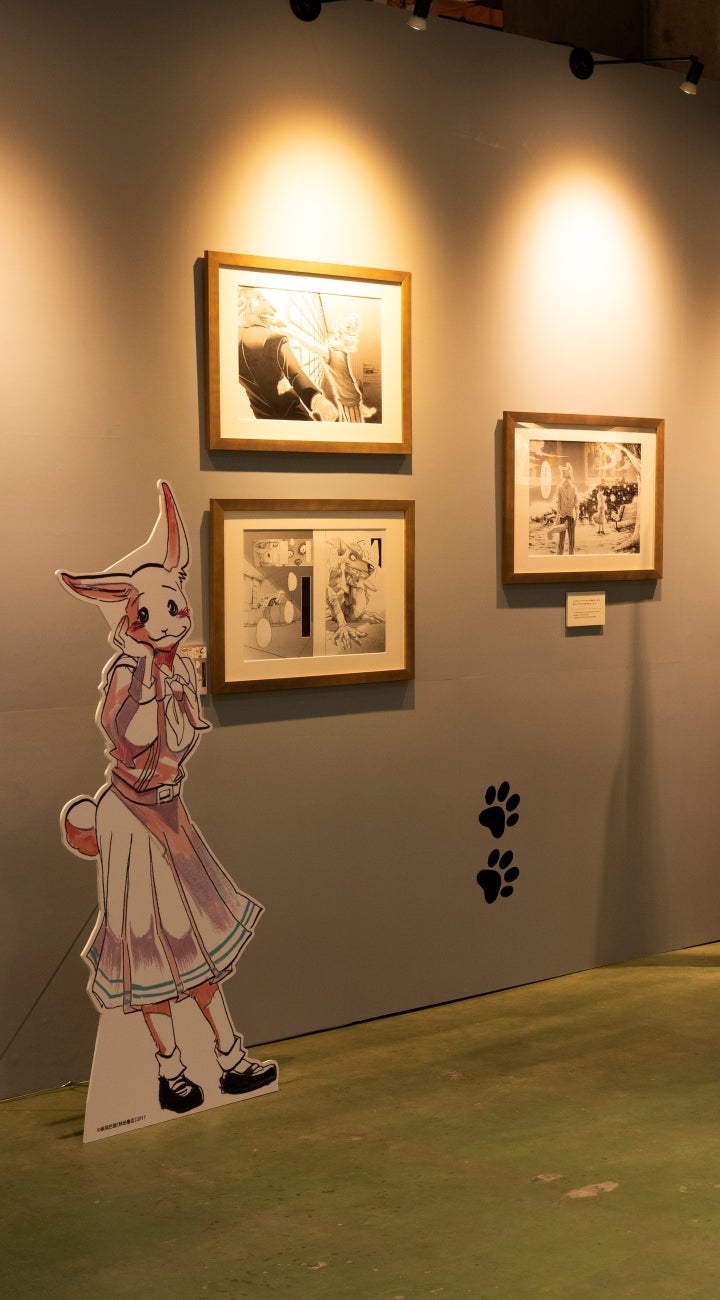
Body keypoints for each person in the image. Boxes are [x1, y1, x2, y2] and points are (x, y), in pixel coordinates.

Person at [57, 482, 278, 1116]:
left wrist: (166, 679)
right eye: (147, 615)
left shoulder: (176, 667)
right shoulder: (129, 675)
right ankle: (172, 1072)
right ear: (129, 624)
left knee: (195, 941)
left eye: (173, 606)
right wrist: (151, 684)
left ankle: (229, 1059)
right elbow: (129, 734)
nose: (168, 621)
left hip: (168, 813)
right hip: (132, 818)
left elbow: (180, 738)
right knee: (150, 947)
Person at [236, 289, 337, 422]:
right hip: (293, 413)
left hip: (261, 415)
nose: (273, 307)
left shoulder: (231, 340)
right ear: (242, 302)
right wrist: (316, 400)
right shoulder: (273, 338)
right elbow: (295, 374)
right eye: (260, 299)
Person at [554, 465, 580, 555]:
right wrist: (559, 515)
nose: (565, 477)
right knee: (562, 539)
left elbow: (576, 504)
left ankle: (570, 556)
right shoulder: (560, 489)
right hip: (563, 516)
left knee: (571, 539)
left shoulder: (573, 489)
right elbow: (558, 502)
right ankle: (560, 556)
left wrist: (576, 516)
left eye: (566, 473)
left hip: (570, 516)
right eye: (563, 473)